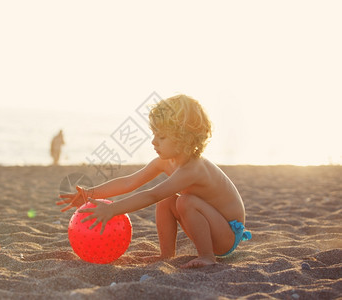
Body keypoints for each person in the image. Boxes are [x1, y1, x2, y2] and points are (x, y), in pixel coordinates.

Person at [57, 94, 251, 268]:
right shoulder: (165, 162)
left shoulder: (193, 168)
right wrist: (89, 194)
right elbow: (128, 182)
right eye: (154, 134)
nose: (153, 141)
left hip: (227, 234)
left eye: (162, 136)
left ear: (185, 138)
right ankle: (166, 255)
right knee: (167, 201)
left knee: (184, 201)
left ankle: (207, 256)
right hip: (209, 226)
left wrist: (112, 209)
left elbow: (152, 194)